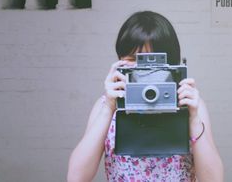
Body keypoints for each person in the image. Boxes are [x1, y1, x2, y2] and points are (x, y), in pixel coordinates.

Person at [67, 11, 223, 182]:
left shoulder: (190, 105)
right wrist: (109, 108)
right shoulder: (107, 106)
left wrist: (193, 119)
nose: (146, 71)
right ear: (120, 60)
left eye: (155, 62)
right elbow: (76, 178)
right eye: (135, 60)